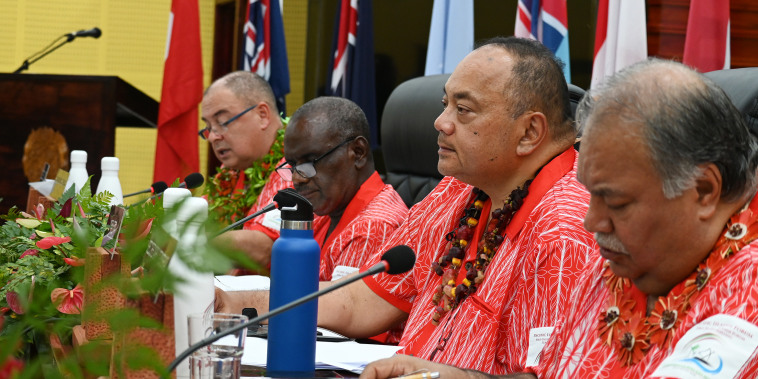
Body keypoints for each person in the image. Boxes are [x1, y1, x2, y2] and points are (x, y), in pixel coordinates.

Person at [217, 37, 597, 374]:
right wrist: (235, 304)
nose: (440, 122)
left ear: (530, 132)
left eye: (463, 111)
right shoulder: (457, 190)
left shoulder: (567, 231)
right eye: (445, 104)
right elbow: (363, 298)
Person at [359, 59, 758, 378]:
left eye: (615, 202)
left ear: (704, 191)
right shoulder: (630, 261)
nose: (591, 221)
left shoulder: (747, 290)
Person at [220, 96, 409, 281]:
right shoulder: (325, 209)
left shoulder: (372, 228)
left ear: (358, 152)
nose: (297, 178)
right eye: (292, 165)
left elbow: (332, 311)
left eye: (310, 161)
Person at [201, 71, 285, 225]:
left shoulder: (297, 167)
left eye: (223, 122)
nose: (212, 137)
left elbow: (263, 243)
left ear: (262, 115)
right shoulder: (230, 173)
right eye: (208, 127)